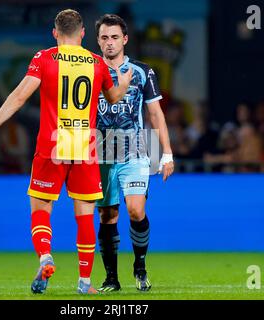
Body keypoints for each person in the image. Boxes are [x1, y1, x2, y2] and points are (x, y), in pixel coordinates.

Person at [0, 9, 132, 294]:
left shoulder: (45, 58)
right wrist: (122, 83)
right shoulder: (97, 62)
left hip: (52, 144)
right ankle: (85, 283)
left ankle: (46, 256)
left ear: (55, 33)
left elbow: (19, 96)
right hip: (85, 147)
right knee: (86, 214)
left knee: (41, 209)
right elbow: (112, 98)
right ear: (84, 33)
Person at [94, 14, 174, 292]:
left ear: (125, 40)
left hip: (135, 151)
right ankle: (111, 279)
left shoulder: (142, 71)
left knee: (136, 209)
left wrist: (167, 153)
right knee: (107, 216)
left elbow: (155, 114)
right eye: (104, 37)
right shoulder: (90, 71)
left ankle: (140, 268)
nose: (110, 43)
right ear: (98, 41)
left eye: (115, 37)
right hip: (100, 153)